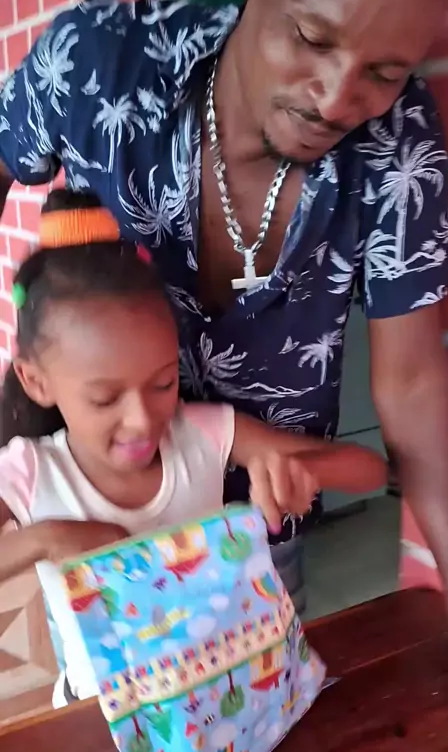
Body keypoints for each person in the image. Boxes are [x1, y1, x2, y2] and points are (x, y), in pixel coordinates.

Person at [0, 0, 448, 695]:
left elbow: (409, 388)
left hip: (254, 555)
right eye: (312, 37)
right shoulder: (99, 66)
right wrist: (45, 537)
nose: (335, 99)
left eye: (384, 72)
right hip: (98, 580)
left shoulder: (397, 142)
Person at [0, 188, 386, 706]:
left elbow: (371, 471)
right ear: (36, 381)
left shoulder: (200, 433)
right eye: (105, 398)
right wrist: (48, 538)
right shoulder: (31, 474)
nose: (143, 420)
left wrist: (299, 470)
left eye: (163, 384)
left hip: (225, 703)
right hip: (105, 721)